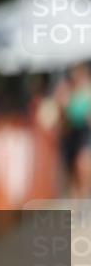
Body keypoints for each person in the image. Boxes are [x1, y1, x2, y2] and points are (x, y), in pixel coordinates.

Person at [55, 63, 91, 198]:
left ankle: (85, 200)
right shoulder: (66, 90)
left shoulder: (88, 90)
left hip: (85, 134)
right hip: (70, 135)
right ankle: (76, 208)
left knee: (82, 167)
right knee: (70, 174)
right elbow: (62, 119)